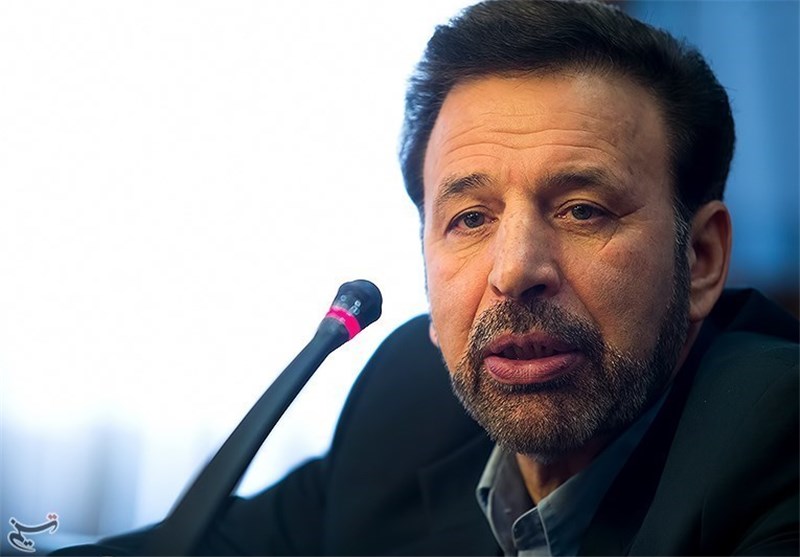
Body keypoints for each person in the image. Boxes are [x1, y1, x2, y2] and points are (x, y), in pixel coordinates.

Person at [55, 0, 798, 555]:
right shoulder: (409, 398)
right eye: (470, 218)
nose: (515, 270)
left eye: (581, 209)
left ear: (701, 259)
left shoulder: (776, 438)